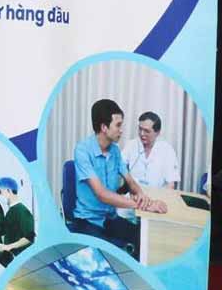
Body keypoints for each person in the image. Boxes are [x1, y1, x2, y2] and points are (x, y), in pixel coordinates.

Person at [71, 98, 167, 254]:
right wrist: (142, 205)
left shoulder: (115, 150)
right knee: (109, 256)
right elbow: (101, 194)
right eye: (118, 125)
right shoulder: (83, 150)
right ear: (103, 127)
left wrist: (142, 196)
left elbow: (129, 180)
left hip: (110, 218)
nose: (121, 130)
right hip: (88, 221)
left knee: (144, 240)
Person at [122, 112, 180, 189]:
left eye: (146, 131)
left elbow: (171, 183)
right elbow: (120, 167)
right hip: (133, 194)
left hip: (158, 196)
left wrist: (161, 200)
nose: (142, 134)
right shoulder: (131, 145)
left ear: (157, 132)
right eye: (140, 129)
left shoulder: (167, 150)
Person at [0, 178, 35, 263]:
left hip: (20, 259)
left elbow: (29, 238)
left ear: (8, 191)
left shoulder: (22, 211)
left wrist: (9, 246)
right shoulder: (10, 211)